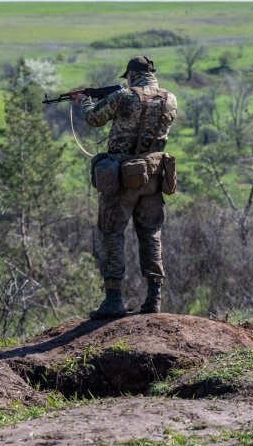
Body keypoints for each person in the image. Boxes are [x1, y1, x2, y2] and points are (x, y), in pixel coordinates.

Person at [72, 56, 177, 319]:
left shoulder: (124, 97)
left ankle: (113, 299)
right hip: (152, 176)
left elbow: (93, 118)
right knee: (151, 233)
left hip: (121, 178)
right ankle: (154, 298)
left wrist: (83, 101)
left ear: (131, 74)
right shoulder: (169, 99)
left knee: (111, 233)